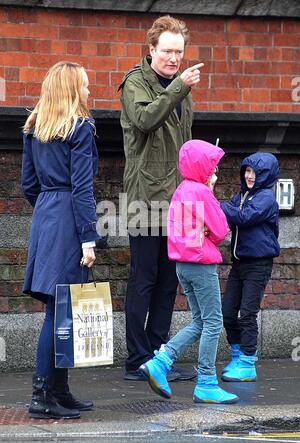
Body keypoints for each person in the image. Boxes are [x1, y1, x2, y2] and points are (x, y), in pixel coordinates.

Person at [119, 15, 204, 382]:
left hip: (179, 199)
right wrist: (177, 89)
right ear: (151, 49)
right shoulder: (135, 83)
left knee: (170, 282)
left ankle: (159, 357)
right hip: (145, 197)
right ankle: (136, 358)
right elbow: (145, 120)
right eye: (167, 50)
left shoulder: (181, 87)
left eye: (179, 52)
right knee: (144, 279)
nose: (173, 58)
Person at [21, 61, 101, 419]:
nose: (88, 92)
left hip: (46, 216)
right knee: (59, 311)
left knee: (61, 308)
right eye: (84, 86)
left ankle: (59, 390)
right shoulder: (81, 128)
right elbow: (83, 188)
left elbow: (28, 185)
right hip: (69, 218)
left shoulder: (34, 128)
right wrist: (88, 238)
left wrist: (48, 209)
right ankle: (42, 396)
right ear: (71, 90)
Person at [139, 139, 239, 404]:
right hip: (201, 264)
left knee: (200, 322)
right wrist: (211, 197)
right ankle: (206, 381)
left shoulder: (181, 189)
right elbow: (220, 229)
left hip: (182, 265)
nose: (215, 172)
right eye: (213, 167)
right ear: (202, 167)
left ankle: (160, 361)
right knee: (214, 322)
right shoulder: (202, 192)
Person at [220, 152, 280, 382]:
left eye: (254, 172)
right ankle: (236, 354)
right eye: (247, 171)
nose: (250, 176)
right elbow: (227, 216)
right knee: (227, 313)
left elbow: (245, 217)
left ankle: (247, 363)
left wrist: (223, 207)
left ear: (265, 174)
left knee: (247, 314)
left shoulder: (266, 198)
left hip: (258, 264)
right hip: (240, 263)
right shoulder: (241, 196)